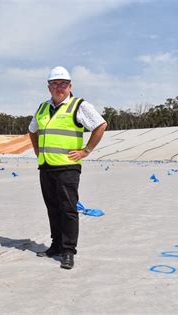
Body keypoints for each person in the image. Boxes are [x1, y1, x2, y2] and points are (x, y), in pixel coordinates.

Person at [28, 66, 107, 269]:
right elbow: (32, 130)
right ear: (49, 87)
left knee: (68, 209)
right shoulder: (43, 108)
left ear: (70, 86)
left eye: (63, 84)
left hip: (68, 167)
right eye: (54, 84)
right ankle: (55, 246)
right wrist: (37, 151)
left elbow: (100, 125)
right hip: (46, 166)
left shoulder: (79, 106)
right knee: (52, 208)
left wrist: (86, 150)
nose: (59, 87)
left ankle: (68, 251)